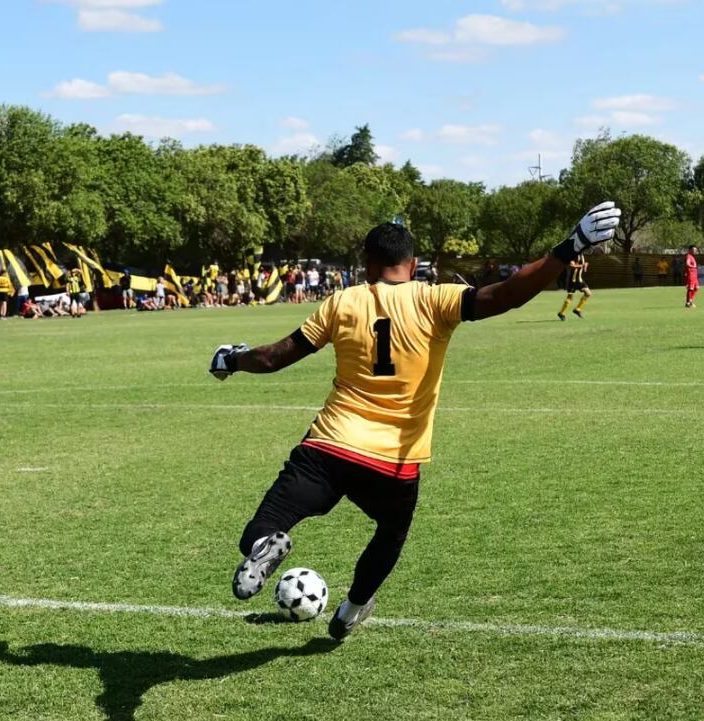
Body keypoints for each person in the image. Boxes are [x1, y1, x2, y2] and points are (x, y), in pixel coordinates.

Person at [209, 202, 621, 641]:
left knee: (272, 517)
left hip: (328, 446)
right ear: (414, 263)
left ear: (367, 263)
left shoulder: (342, 302)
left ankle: (262, 545)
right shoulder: (432, 298)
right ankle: (351, 610)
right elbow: (506, 294)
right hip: (393, 461)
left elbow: (273, 357)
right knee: (391, 529)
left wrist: (230, 358)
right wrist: (569, 246)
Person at [557, 252, 592, 320]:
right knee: (570, 297)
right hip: (573, 280)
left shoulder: (582, 255)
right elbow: (572, 265)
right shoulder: (573, 255)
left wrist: (585, 266)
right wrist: (582, 265)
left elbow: (583, 269)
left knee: (588, 293)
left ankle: (577, 309)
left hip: (580, 280)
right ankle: (561, 313)